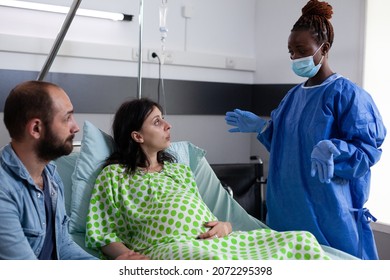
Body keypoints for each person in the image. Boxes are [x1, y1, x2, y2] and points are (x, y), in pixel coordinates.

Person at [225, 0, 386, 260]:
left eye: (301, 49)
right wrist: (262, 126)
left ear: (324, 48)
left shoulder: (347, 95)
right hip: (285, 215)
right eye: (291, 51)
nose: (295, 57)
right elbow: (287, 145)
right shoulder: (292, 97)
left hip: (330, 218)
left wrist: (335, 148)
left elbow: (366, 151)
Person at [85, 97, 333, 260]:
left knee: (301, 239)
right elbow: (103, 232)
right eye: (157, 122)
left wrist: (226, 226)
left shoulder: (179, 171)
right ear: (137, 136)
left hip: (218, 243)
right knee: (211, 263)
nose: (168, 126)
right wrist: (126, 256)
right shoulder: (115, 176)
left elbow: (204, 215)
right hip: (170, 248)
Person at [0, 80, 145, 260]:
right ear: (36, 128)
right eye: (67, 118)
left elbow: (63, 246)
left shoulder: (51, 177)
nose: (75, 127)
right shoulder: (4, 190)